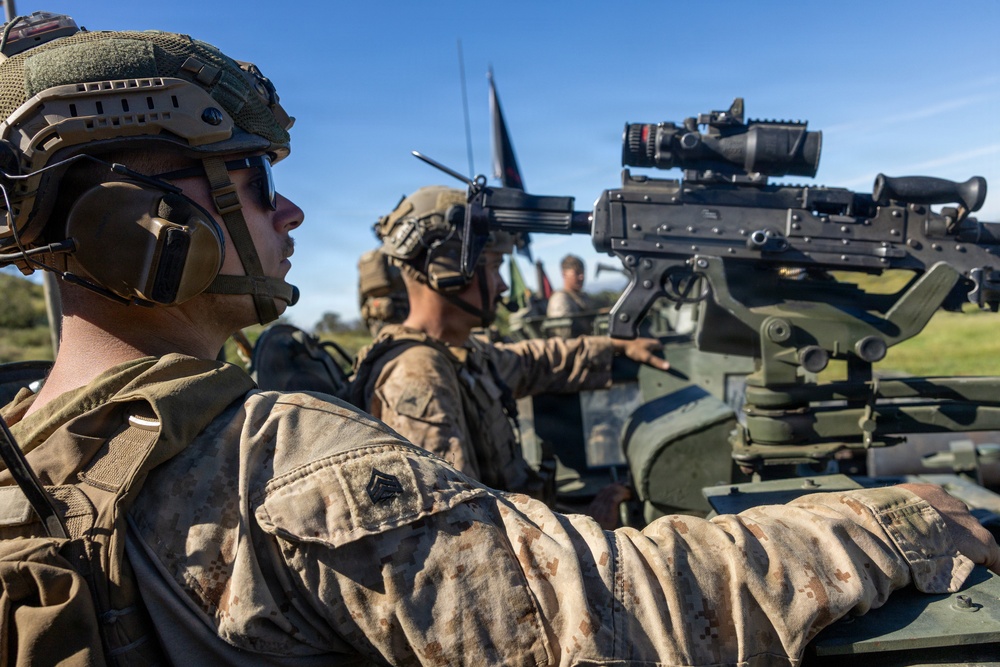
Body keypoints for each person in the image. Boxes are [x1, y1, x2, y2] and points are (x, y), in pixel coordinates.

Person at [0, 15, 997, 667]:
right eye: (255, 177)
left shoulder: (30, 450)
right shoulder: (274, 460)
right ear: (140, 223)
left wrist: (614, 355)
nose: (290, 210)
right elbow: (609, 614)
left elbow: (515, 364)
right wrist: (891, 524)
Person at [352, 186, 665, 522]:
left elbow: (534, 361)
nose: (502, 285)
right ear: (450, 268)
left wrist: (616, 346)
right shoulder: (417, 376)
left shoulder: (460, 354)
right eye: (494, 266)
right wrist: (590, 528)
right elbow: (462, 532)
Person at [546, 253, 599, 338]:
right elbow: (563, 335)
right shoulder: (560, 299)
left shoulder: (582, 296)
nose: (581, 277)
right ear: (564, 274)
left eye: (582, 272)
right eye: (577, 273)